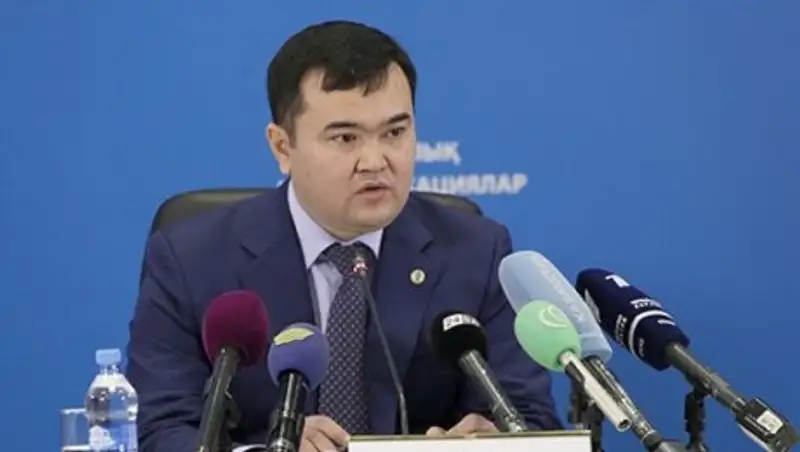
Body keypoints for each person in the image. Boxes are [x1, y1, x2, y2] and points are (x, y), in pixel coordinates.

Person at [127, 19, 562, 452]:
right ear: (282, 147)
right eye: (345, 137)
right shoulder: (192, 259)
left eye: (395, 132)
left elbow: (530, 418)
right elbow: (162, 428)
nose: (374, 161)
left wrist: (489, 441)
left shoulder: (476, 253)